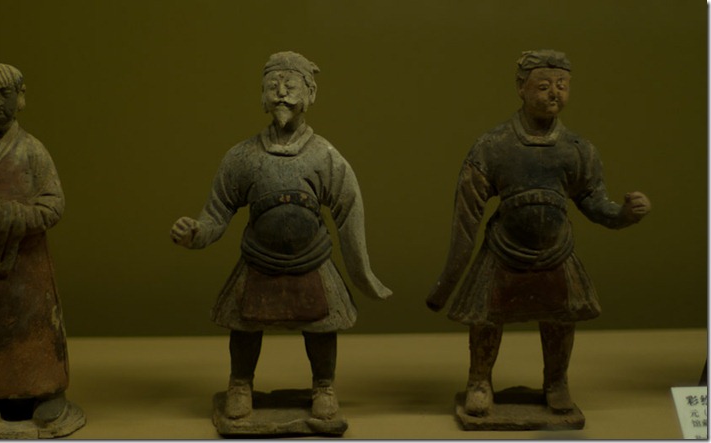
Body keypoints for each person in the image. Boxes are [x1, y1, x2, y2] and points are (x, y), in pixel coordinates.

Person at [426, 50, 651, 417]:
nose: (554, 93)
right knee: (486, 319)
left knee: (561, 319)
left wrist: (624, 213)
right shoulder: (493, 146)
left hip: (556, 251)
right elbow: (467, 216)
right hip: (504, 251)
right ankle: (479, 380)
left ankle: (557, 381)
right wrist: (446, 282)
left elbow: (594, 202)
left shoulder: (578, 150)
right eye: (544, 86)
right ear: (521, 88)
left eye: (562, 86)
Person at [171, 51, 392, 420]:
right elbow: (217, 213)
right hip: (259, 260)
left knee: (322, 327)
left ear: (311, 94)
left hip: (312, 259)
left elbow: (349, 212)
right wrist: (196, 233)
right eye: (273, 85)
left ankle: (324, 385)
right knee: (245, 326)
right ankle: (240, 384)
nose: (282, 92)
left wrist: (363, 272)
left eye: (291, 85)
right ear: (261, 95)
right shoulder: (242, 157)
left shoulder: (324, 157)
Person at [0, 63, 83, 438]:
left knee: (37, 326)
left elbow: (54, 203)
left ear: (20, 98)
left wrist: (18, 217)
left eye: (5, 94)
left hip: (30, 262)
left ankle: (48, 393)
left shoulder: (33, 150)